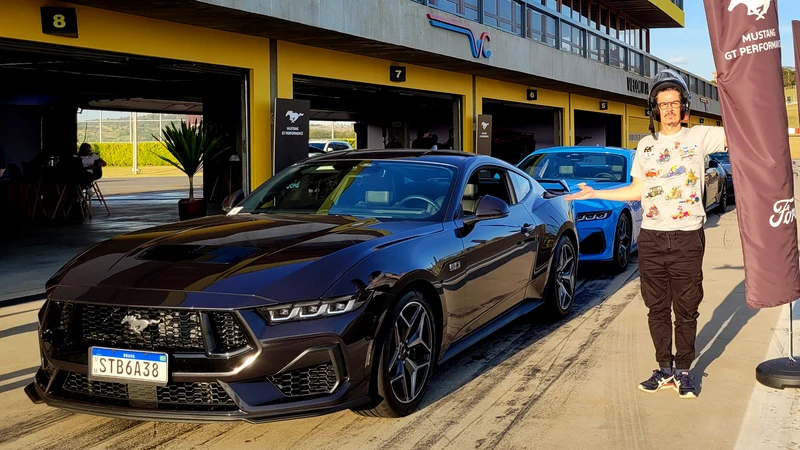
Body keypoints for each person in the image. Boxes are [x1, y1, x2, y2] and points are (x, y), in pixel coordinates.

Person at [566, 69, 727, 399]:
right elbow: (637, 190)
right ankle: (663, 368)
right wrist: (593, 192)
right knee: (656, 308)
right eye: (662, 103)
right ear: (654, 109)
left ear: (684, 106)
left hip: (686, 237)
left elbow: (742, 128)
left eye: (674, 102)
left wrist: (732, 86)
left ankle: (684, 370)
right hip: (652, 238)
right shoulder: (646, 148)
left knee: (686, 307)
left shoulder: (700, 136)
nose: (668, 108)